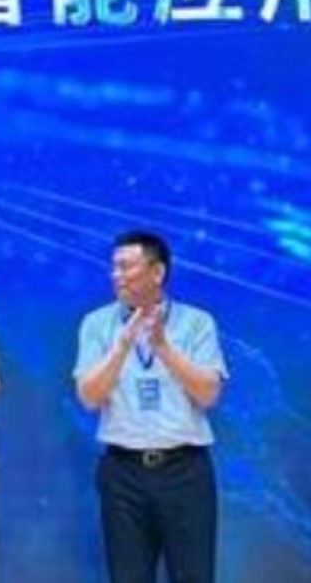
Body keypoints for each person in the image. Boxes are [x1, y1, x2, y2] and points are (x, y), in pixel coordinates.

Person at [73, 230, 226, 583]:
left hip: (185, 471)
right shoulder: (96, 324)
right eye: (114, 267)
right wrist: (121, 348)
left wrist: (164, 349)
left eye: (126, 267)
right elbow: (89, 398)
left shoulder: (197, 323)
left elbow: (209, 395)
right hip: (123, 472)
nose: (117, 275)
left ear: (157, 272)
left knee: (194, 575)